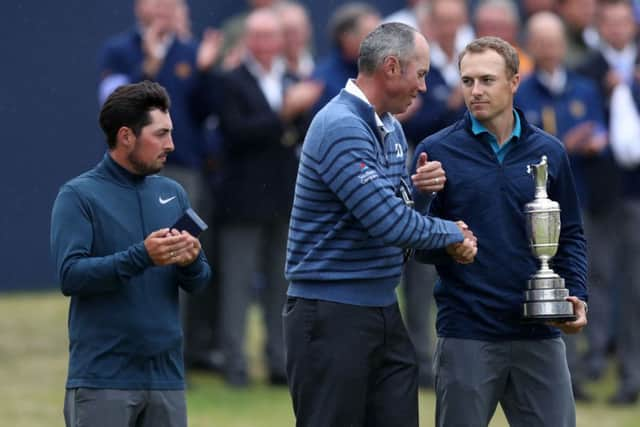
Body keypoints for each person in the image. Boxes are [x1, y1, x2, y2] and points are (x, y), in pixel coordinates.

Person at [283, 22, 477, 427]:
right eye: (420, 73)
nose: (423, 87)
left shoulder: (390, 126)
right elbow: (389, 223)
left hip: (382, 309)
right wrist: (453, 233)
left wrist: (419, 194)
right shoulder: (340, 125)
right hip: (331, 313)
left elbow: (398, 215)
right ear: (391, 67)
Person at [412, 36, 588, 427]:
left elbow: (571, 236)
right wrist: (446, 240)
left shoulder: (550, 152)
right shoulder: (436, 150)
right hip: (467, 332)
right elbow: (415, 243)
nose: (476, 91)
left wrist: (577, 296)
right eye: (468, 81)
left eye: (487, 80)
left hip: (540, 332)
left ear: (514, 82)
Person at [50, 81, 211, 426]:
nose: (171, 144)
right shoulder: (78, 196)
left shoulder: (173, 192)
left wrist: (191, 261)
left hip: (166, 379)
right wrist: (142, 256)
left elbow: (199, 282)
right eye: (161, 134)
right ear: (126, 136)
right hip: (104, 379)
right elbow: (71, 276)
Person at [515, 11, 607, 402]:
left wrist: (594, 140)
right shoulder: (521, 93)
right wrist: (562, 146)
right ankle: (549, 371)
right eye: (543, 43)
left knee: (585, 282)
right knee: (541, 285)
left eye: (556, 42)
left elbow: (601, 127)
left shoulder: (585, 88)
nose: (551, 50)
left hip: (580, 202)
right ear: (531, 47)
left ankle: (586, 366)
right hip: (531, 212)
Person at [216, 7, 307, 387]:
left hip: (285, 196)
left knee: (281, 285)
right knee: (236, 285)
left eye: (274, 37)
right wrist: (282, 116)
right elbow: (235, 132)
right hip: (242, 199)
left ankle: (278, 362)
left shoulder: (293, 77)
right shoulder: (231, 80)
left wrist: (284, 121)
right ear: (249, 40)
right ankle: (234, 363)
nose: (268, 44)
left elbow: (303, 129)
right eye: (261, 37)